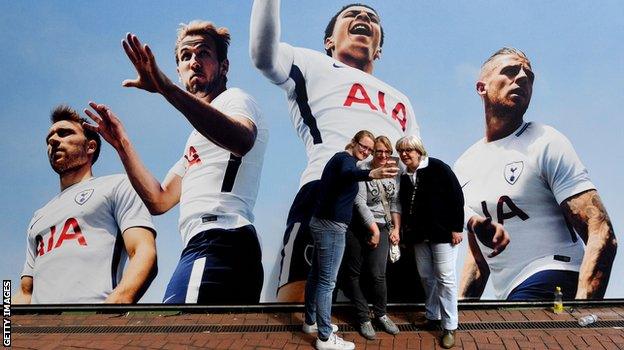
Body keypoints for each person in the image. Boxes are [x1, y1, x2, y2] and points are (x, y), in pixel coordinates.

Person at [84, 21, 268, 304]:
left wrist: (165, 88)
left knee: (178, 332)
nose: (194, 61)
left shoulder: (235, 99)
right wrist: (122, 145)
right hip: (210, 243)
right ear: (179, 71)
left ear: (224, 66)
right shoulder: (198, 136)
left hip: (219, 239)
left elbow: (241, 140)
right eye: (185, 56)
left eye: (203, 53)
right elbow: (160, 199)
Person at [250, 0, 420, 303]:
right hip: (326, 191)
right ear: (329, 40)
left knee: (400, 315)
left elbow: (416, 164)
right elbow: (264, 56)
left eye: (372, 18)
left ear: (379, 49)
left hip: (385, 207)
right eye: (352, 15)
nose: (363, 18)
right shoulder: (310, 62)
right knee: (301, 306)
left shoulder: (402, 100)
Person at [455, 47, 617, 301]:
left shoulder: (546, 141)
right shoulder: (464, 165)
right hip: (510, 292)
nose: (521, 78)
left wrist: (584, 310)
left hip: (554, 273)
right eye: (510, 71)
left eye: (528, 76)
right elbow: (478, 258)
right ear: (481, 88)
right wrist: (457, 316)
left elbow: (601, 230)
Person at [15, 106, 157, 304]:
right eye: (49, 139)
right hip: (41, 329)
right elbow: (25, 292)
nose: (53, 141)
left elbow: (143, 250)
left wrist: (119, 300)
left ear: (90, 146)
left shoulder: (117, 185)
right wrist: (6, 330)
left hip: (93, 323)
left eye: (64, 133)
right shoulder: (39, 216)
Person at [304, 130, 398, 350]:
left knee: (317, 276)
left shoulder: (344, 161)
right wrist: (371, 175)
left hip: (322, 223)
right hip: (332, 227)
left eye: (369, 149)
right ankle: (324, 338)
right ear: (353, 142)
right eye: (363, 146)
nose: (365, 151)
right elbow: (348, 174)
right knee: (327, 282)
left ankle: (311, 322)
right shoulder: (345, 160)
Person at [397, 135, 464, 348]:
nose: (405, 154)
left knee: (445, 279)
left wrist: (456, 228)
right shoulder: (405, 176)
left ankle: (450, 326)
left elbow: (457, 196)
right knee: (426, 276)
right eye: (401, 151)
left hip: (443, 234)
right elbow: (405, 206)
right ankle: (432, 315)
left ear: (419, 150)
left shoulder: (438, 167)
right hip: (418, 237)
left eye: (408, 150)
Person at [341, 136, 400, 340]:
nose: (382, 155)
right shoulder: (361, 168)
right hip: (360, 226)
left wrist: (396, 229)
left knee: (377, 274)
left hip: (383, 226)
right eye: (378, 151)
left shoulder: (393, 172)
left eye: (386, 151)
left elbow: (395, 203)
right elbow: (360, 203)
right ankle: (363, 317)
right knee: (353, 273)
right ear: (373, 152)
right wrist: (373, 230)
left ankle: (381, 314)